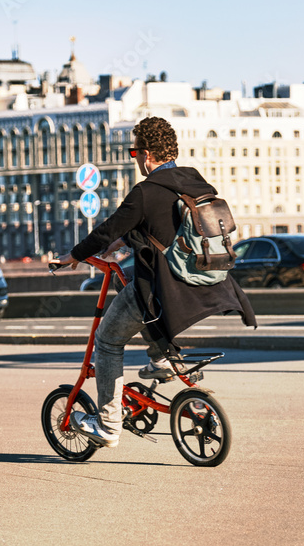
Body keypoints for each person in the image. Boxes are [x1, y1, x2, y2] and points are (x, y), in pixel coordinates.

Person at [52, 116, 256, 448]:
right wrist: (124, 242)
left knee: (107, 341)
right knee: (132, 290)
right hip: (209, 282)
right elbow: (167, 227)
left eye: (134, 153)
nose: (135, 160)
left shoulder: (145, 191)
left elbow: (108, 228)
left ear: (147, 155)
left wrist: (73, 256)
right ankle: (162, 358)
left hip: (168, 289)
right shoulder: (193, 180)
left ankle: (107, 424)